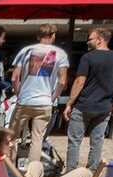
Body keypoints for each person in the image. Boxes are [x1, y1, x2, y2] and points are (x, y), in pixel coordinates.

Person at [64, 27, 113, 172]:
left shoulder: (88, 57)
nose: (87, 42)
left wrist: (69, 103)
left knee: (74, 141)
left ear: (100, 40)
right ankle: (91, 173)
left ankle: (71, 173)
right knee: (97, 142)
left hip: (83, 105)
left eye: (90, 38)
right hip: (104, 107)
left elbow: (80, 81)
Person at [9, 24, 69, 161]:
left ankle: (9, 169)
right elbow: (62, 82)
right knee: (37, 139)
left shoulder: (26, 50)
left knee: (11, 137)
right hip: (44, 101)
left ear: (38, 35)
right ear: (53, 36)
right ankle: (33, 174)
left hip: (25, 99)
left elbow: (14, 78)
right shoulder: (60, 54)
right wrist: (53, 97)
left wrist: (19, 94)